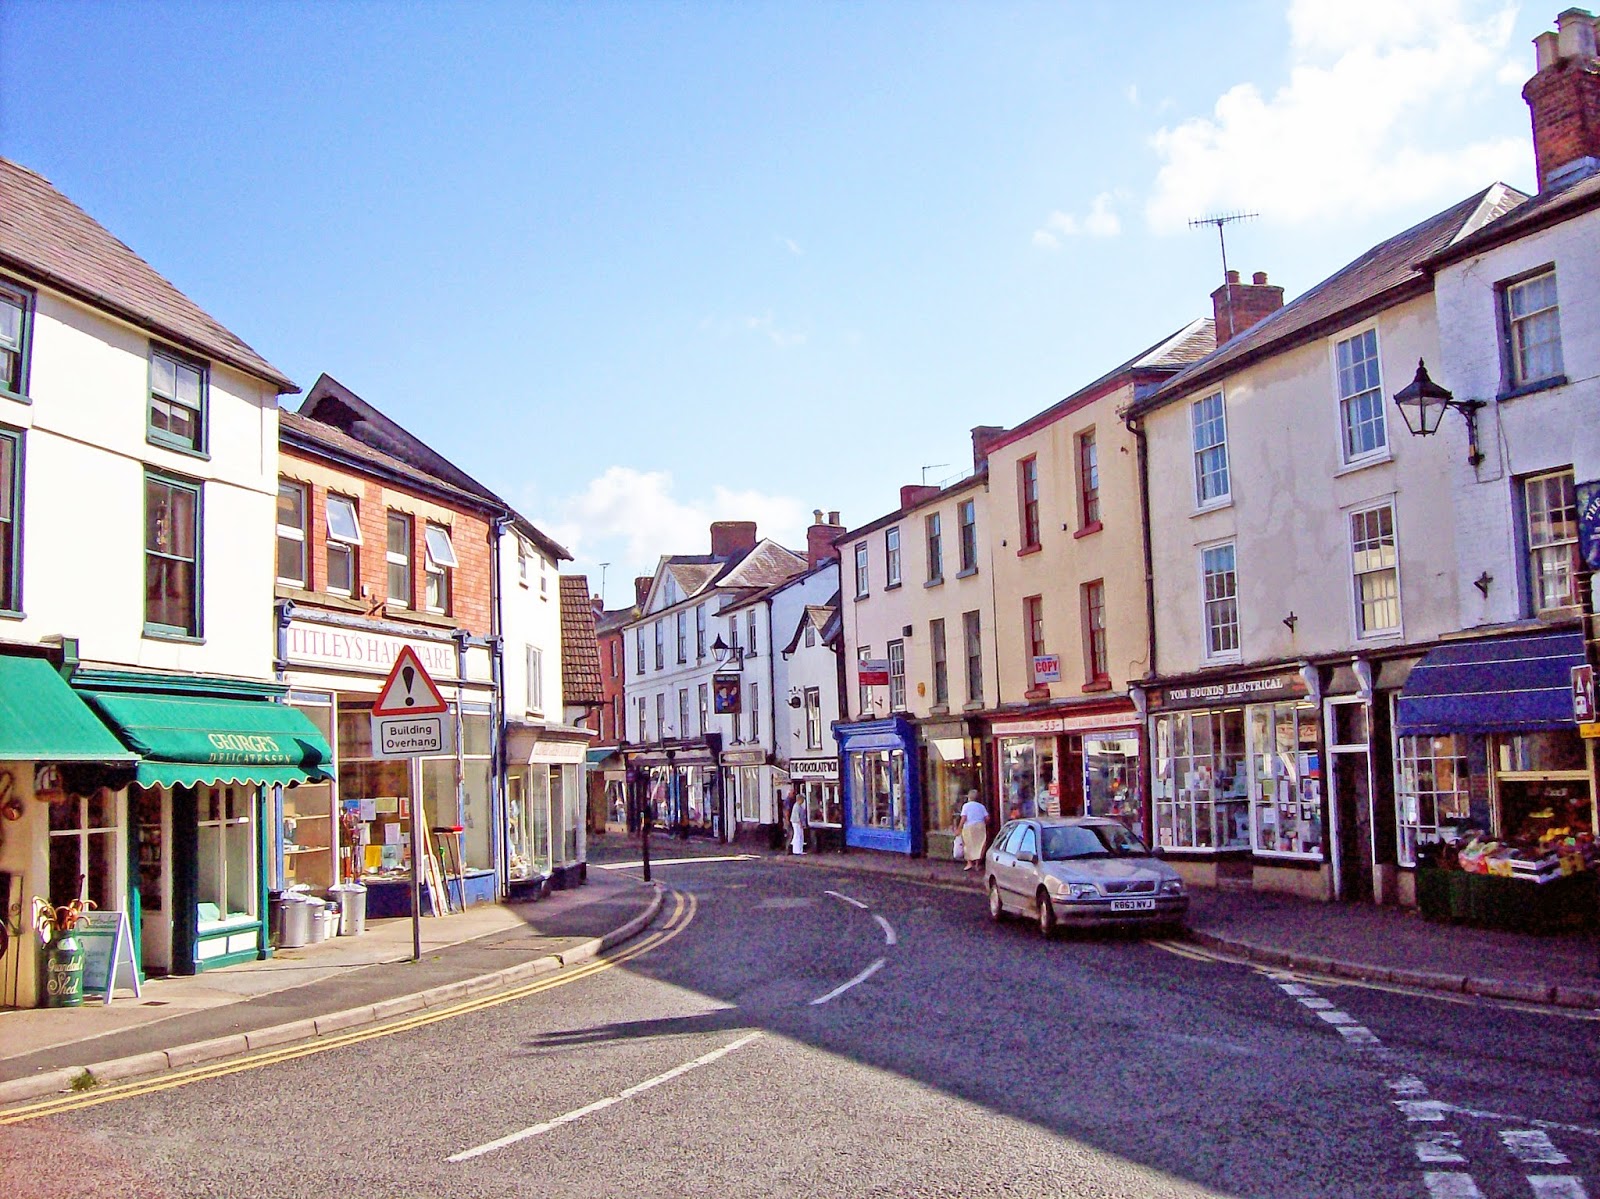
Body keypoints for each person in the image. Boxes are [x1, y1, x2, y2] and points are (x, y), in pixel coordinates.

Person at [957, 790, 989, 872]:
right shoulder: (981, 806)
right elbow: (987, 818)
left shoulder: (966, 806)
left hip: (969, 827)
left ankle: (969, 863)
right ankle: (977, 864)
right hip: (980, 826)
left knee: (968, 845)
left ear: (969, 797)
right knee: (979, 845)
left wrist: (959, 828)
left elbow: (963, 818)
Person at [787, 788, 808, 855]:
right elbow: (797, 816)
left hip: (798, 823)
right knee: (797, 836)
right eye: (803, 799)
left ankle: (799, 850)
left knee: (800, 836)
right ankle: (796, 850)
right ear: (800, 799)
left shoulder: (798, 805)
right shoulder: (797, 806)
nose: (803, 801)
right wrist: (801, 824)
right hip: (797, 823)